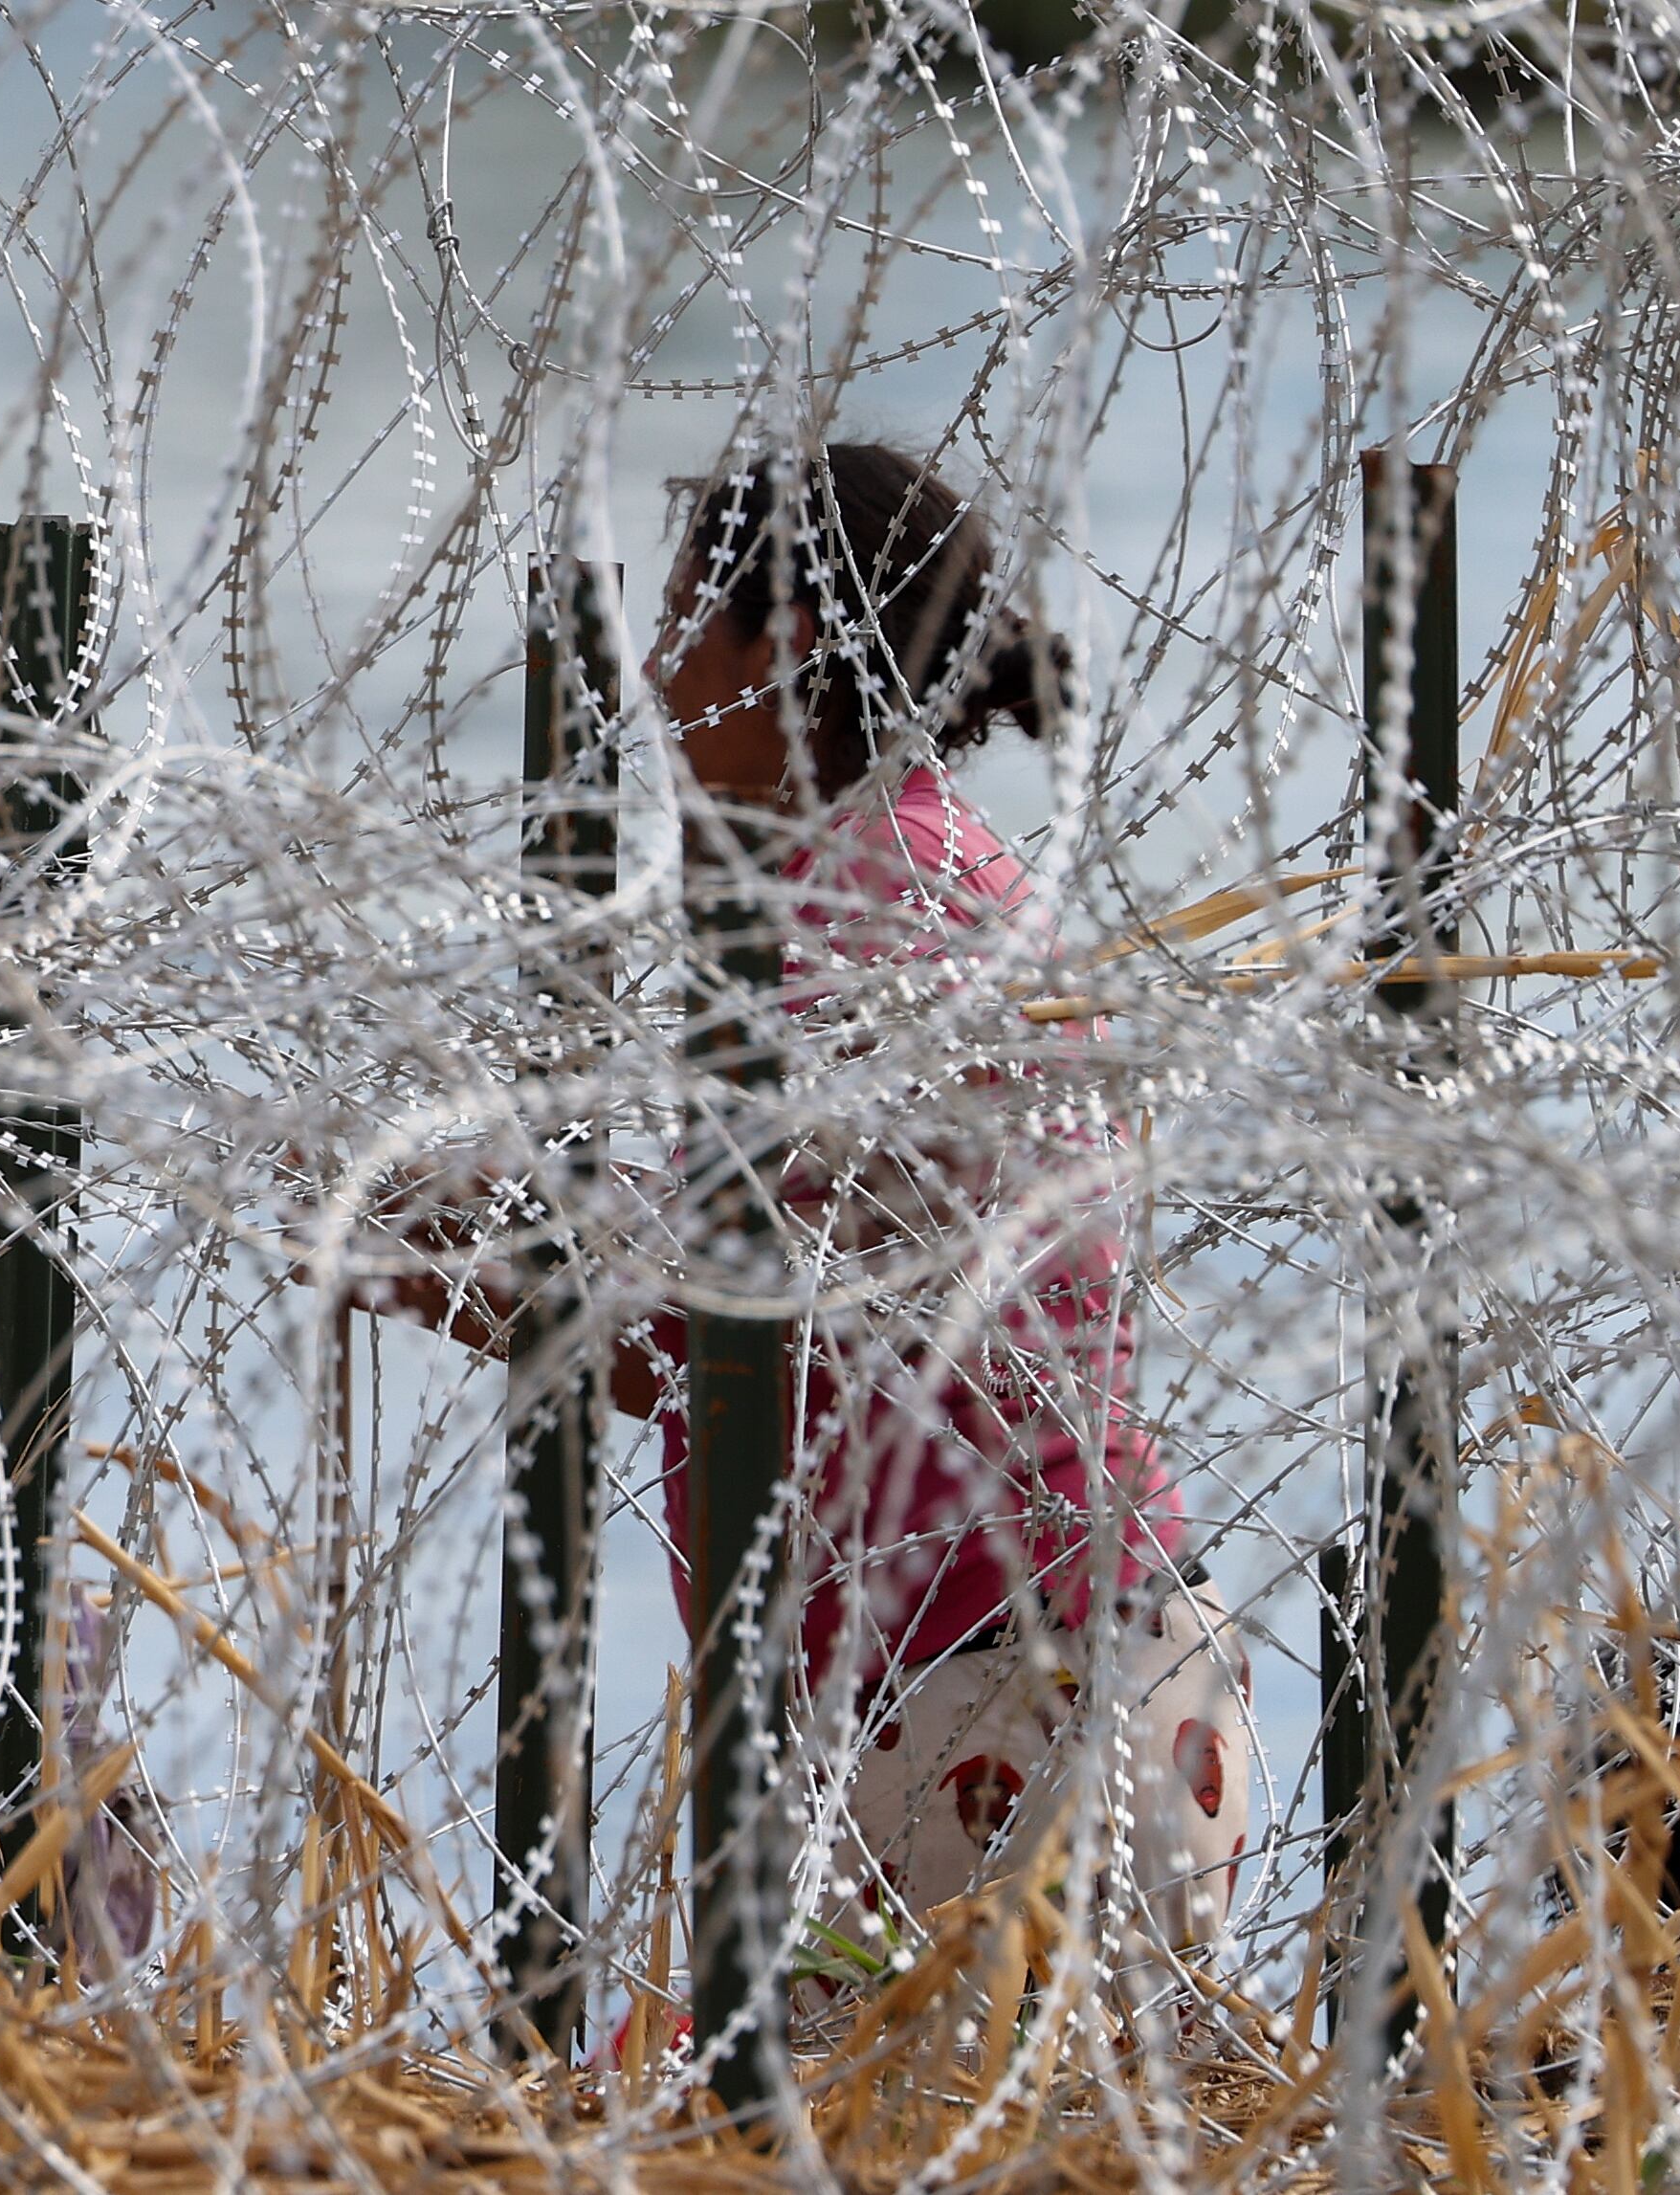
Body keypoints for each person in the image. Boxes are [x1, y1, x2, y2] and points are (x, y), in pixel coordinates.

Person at [363, 442, 1250, 1950]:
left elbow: (709, 1338)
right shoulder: (932, 869)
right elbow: (789, 1280)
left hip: (988, 1714)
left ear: (779, 648)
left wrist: (425, 1239)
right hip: (1096, 1667)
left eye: (686, 625)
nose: (643, 671)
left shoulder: (855, 924)